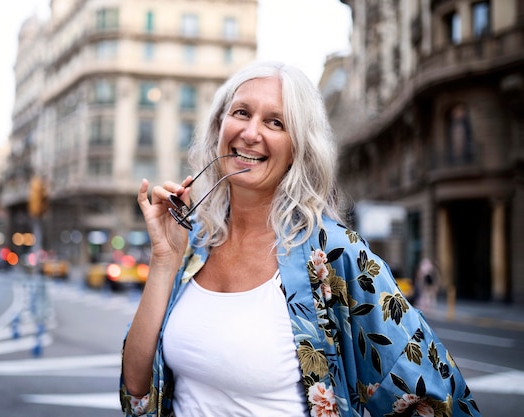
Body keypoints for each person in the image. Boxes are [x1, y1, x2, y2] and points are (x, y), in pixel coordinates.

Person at [120, 61, 481, 417]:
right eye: (241, 113)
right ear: (218, 127)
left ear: (298, 149)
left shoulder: (336, 253)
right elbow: (137, 392)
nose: (250, 132)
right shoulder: (190, 244)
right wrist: (164, 260)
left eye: (275, 122)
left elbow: (430, 396)